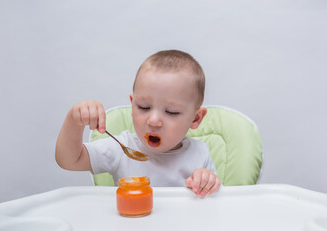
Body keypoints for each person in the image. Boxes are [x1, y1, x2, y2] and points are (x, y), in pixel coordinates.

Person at [55, 50, 221, 196]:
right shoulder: (122, 148)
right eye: (144, 107)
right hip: (131, 228)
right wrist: (74, 121)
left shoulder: (200, 154)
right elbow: (69, 160)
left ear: (196, 118)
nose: (154, 121)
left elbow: (216, 204)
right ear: (132, 104)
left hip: (182, 230)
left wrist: (207, 182)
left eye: (171, 112)